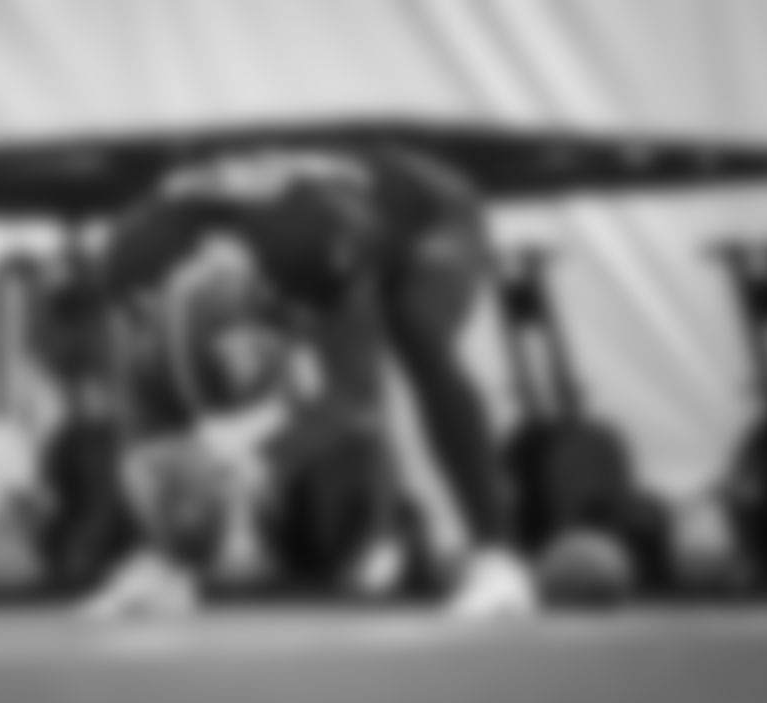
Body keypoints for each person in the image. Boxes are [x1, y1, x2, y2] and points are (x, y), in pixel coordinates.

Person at [83, 143, 537, 619]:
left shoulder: (311, 241)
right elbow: (143, 400)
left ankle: (499, 559)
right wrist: (166, 510)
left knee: (415, 327)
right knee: (155, 375)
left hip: (432, 211)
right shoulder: (132, 260)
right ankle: (165, 569)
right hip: (288, 232)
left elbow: (354, 396)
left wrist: (257, 463)